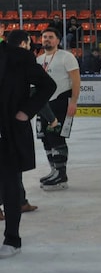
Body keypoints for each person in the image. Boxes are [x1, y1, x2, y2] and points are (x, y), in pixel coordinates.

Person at [0, 30, 56, 258]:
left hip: (9, 132)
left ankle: (12, 238)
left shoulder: (20, 58)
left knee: (11, 185)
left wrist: (26, 111)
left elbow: (47, 86)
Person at [36, 27, 80, 191]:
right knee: (45, 137)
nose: (47, 39)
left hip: (60, 101)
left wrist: (74, 101)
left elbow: (76, 80)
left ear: (58, 40)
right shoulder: (39, 60)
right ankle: (54, 170)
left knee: (57, 136)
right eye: (44, 37)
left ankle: (62, 174)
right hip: (43, 104)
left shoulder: (66, 57)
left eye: (50, 37)